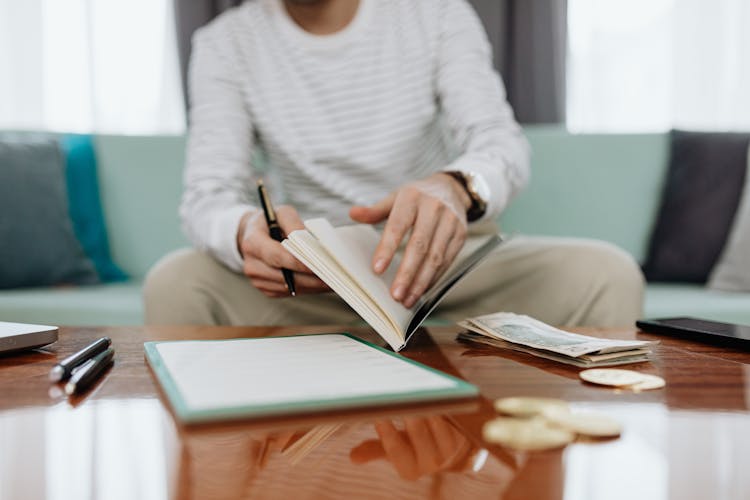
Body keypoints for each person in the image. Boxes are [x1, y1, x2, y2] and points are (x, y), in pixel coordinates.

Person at [144, 0, 644, 328]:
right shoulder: (224, 43)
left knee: (609, 275)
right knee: (176, 284)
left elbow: (500, 143)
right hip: (315, 278)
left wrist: (453, 188)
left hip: (448, 264)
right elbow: (209, 195)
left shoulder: (437, 13)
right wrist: (246, 232)